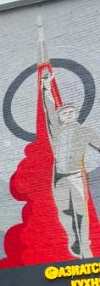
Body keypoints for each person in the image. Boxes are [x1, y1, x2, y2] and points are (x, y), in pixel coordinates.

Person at [42, 69, 100, 258]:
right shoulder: (56, 132)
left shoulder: (85, 132)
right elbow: (49, 112)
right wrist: (46, 87)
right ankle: (73, 238)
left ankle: (84, 244)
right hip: (58, 177)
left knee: (80, 210)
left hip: (75, 175)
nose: (68, 114)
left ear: (75, 114)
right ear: (60, 117)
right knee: (64, 210)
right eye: (64, 113)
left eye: (71, 112)